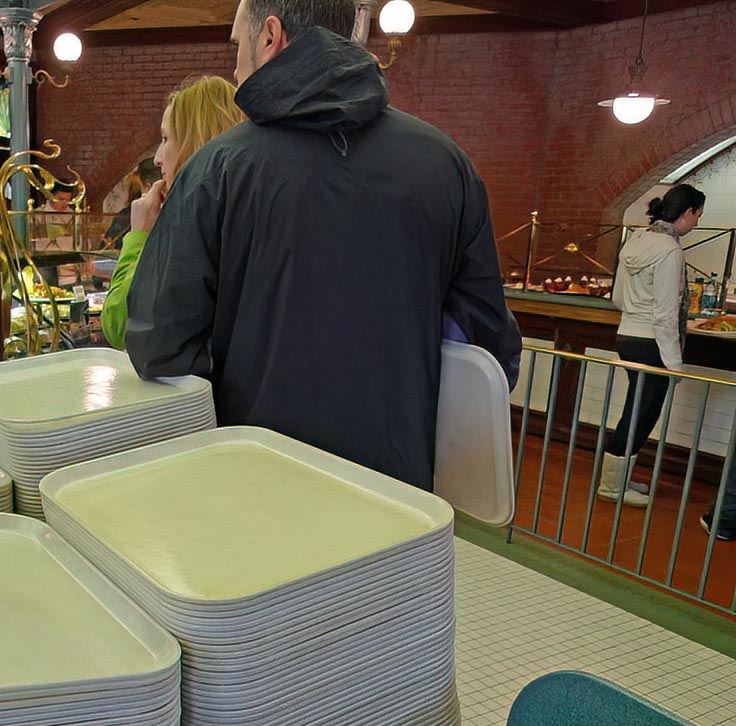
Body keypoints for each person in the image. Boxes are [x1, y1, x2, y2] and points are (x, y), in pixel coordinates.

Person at [123, 0, 522, 491]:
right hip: (396, 488)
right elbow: (488, 344)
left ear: (271, 36)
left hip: (254, 479)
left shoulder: (218, 169)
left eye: (238, 44)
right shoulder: (447, 164)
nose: (234, 65)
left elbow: (157, 345)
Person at [103, 76, 245, 349]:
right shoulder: (245, 205)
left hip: (199, 388)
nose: (157, 157)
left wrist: (140, 237)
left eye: (166, 138)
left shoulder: (189, 224)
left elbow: (121, 326)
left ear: (196, 142)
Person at [597, 184, 705, 507]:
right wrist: (675, 365)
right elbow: (666, 314)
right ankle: (612, 486)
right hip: (653, 342)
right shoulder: (670, 251)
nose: (697, 222)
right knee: (641, 414)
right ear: (685, 213)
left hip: (627, 335)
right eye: (697, 215)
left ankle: (619, 479)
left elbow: (618, 298)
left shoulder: (636, 240)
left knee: (636, 409)